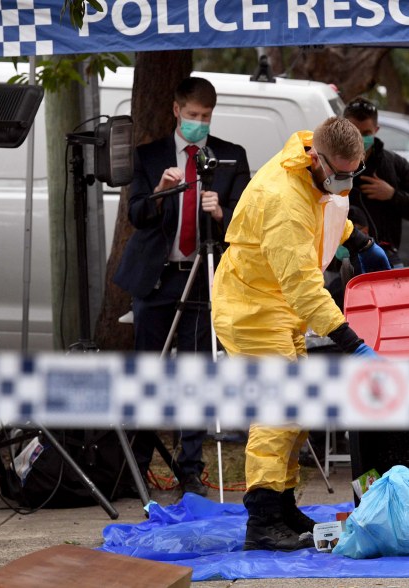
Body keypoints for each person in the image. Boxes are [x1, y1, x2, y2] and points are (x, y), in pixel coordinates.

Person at [211, 116, 390, 551]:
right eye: (341, 174)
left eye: (355, 172)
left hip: (279, 305)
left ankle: (284, 504)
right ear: (317, 158)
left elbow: (326, 214)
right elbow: (304, 286)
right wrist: (353, 343)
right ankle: (263, 520)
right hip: (253, 307)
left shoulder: (318, 174)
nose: (347, 182)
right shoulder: (282, 199)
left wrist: (361, 241)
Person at [114, 77, 251, 496]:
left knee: (196, 374)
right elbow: (136, 214)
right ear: (176, 110)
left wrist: (221, 211)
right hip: (157, 279)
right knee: (148, 373)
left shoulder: (229, 157)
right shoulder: (150, 155)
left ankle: (189, 469)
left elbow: (245, 226)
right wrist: (158, 193)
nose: (199, 124)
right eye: (192, 116)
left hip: (204, 277)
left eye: (206, 117)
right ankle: (136, 468)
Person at [342, 97, 409, 268]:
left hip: (385, 257)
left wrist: (392, 195)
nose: (360, 139)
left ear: (376, 130)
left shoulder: (395, 165)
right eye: (354, 132)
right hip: (339, 261)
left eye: (366, 133)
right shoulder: (328, 164)